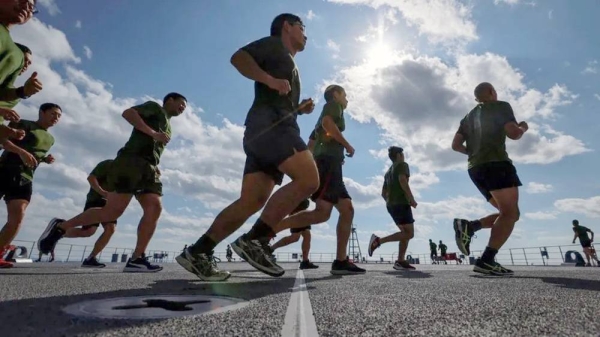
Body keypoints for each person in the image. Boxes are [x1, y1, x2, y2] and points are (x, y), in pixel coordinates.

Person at [177, 13, 316, 281]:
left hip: (264, 132)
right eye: (302, 27)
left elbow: (278, 98)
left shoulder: (289, 64)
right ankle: (256, 240)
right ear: (287, 27)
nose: (305, 34)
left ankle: (198, 251)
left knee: (251, 201)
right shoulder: (275, 45)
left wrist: (300, 109)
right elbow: (238, 58)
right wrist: (269, 80)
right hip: (272, 128)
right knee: (309, 180)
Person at [37, 93, 187, 273]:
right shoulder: (155, 108)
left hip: (149, 168)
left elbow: (154, 147)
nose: (183, 108)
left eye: (185, 107)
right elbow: (128, 113)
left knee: (154, 207)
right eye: (181, 104)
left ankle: (137, 258)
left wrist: (155, 164)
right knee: (111, 212)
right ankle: (61, 227)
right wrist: (153, 133)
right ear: (170, 100)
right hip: (131, 162)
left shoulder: (169, 125)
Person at [248, 84, 365, 275]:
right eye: (345, 95)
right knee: (322, 213)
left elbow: (311, 143)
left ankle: (341, 260)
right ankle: (263, 233)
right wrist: (347, 146)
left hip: (329, 163)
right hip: (328, 163)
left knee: (346, 209)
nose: (347, 99)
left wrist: (318, 163)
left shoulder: (324, 116)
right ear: (336, 95)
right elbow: (328, 124)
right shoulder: (334, 106)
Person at [451, 82, 528, 276]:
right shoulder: (500, 106)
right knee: (509, 214)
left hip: (475, 168)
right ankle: (486, 260)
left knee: (510, 214)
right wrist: (523, 127)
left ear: (477, 98)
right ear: (492, 92)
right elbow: (513, 134)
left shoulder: (467, 117)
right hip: (497, 164)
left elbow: (455, 145)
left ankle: (471, 226)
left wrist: (474, 152)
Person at [0, 103, 61, 268]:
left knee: (18, 217)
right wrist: (21, 152)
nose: (56, 118)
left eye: (59, 116)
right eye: (53, 113)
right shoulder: (24, 124)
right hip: (5, 169)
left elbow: (35, 155)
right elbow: (3, 141)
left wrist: (45, 159)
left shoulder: (51, 139)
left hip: (26, 177)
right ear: (42, 112)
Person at [57, 160, 116, 269]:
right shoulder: (108, 164)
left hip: (110, 203)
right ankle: (57, 233)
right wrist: (103, 192)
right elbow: (91, 178)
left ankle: (91, 258)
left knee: (110, 229)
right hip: (96, 199)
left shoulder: (129, 172)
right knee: (88, 231)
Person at [368, 146, 417, 271]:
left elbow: (383, 193)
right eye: (403, 154)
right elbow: (402, 180)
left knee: (404, 233)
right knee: (409, 233)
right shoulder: (402, 165)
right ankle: (378, 241)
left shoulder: (388, 172)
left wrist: (391, 203)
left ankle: (400, 260)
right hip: (401, 203)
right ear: (399, 155)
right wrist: (411, 198)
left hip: (391, 205)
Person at [269, 198, 318, 269]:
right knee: (294, 238)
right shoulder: (298, 192)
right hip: (296, 216)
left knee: (307, 236)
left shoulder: (307, 193)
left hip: (303, 216)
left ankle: (305, 261)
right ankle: (271, 248)